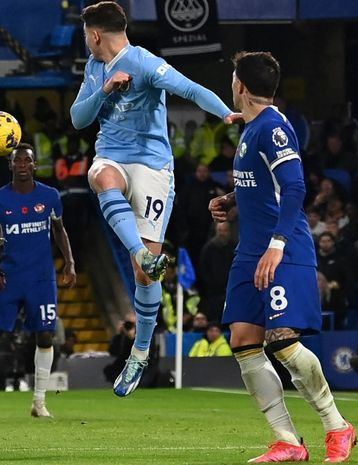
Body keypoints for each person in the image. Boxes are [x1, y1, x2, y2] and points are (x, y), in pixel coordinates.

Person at [69, 1, 240, 397]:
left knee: (144, 277)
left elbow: (189, 88)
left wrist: (225, 113)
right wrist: (106, 90)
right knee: (100, 176)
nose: (86, 43)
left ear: (95, 35)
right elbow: (78, 118)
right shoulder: (95, 69)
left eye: (86, 37)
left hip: (153, 168)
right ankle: (140, 251)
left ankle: (139, 353)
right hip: (112, 155)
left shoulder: (144, 62)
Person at [208, 51, 356, 463]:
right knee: (242, 339)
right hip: (250, 251)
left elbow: (294, 190)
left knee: (283, 341)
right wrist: (232, 199)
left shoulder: (272, 129)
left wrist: (276, 245)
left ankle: (337, 426)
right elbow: (266, 184)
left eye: (233, 78)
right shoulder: (252, 127)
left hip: (283, 250)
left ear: (240, 86)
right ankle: (287, 441)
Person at [0, 143, 77, 419]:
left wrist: (69, 262)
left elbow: (59, 230)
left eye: (27, 161)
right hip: (9, 278)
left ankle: (39, 402)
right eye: (17, 161)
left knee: (44, 335)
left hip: (42, 279)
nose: (22, 165)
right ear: (10, 166)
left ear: (33, 165)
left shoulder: (50, 195)